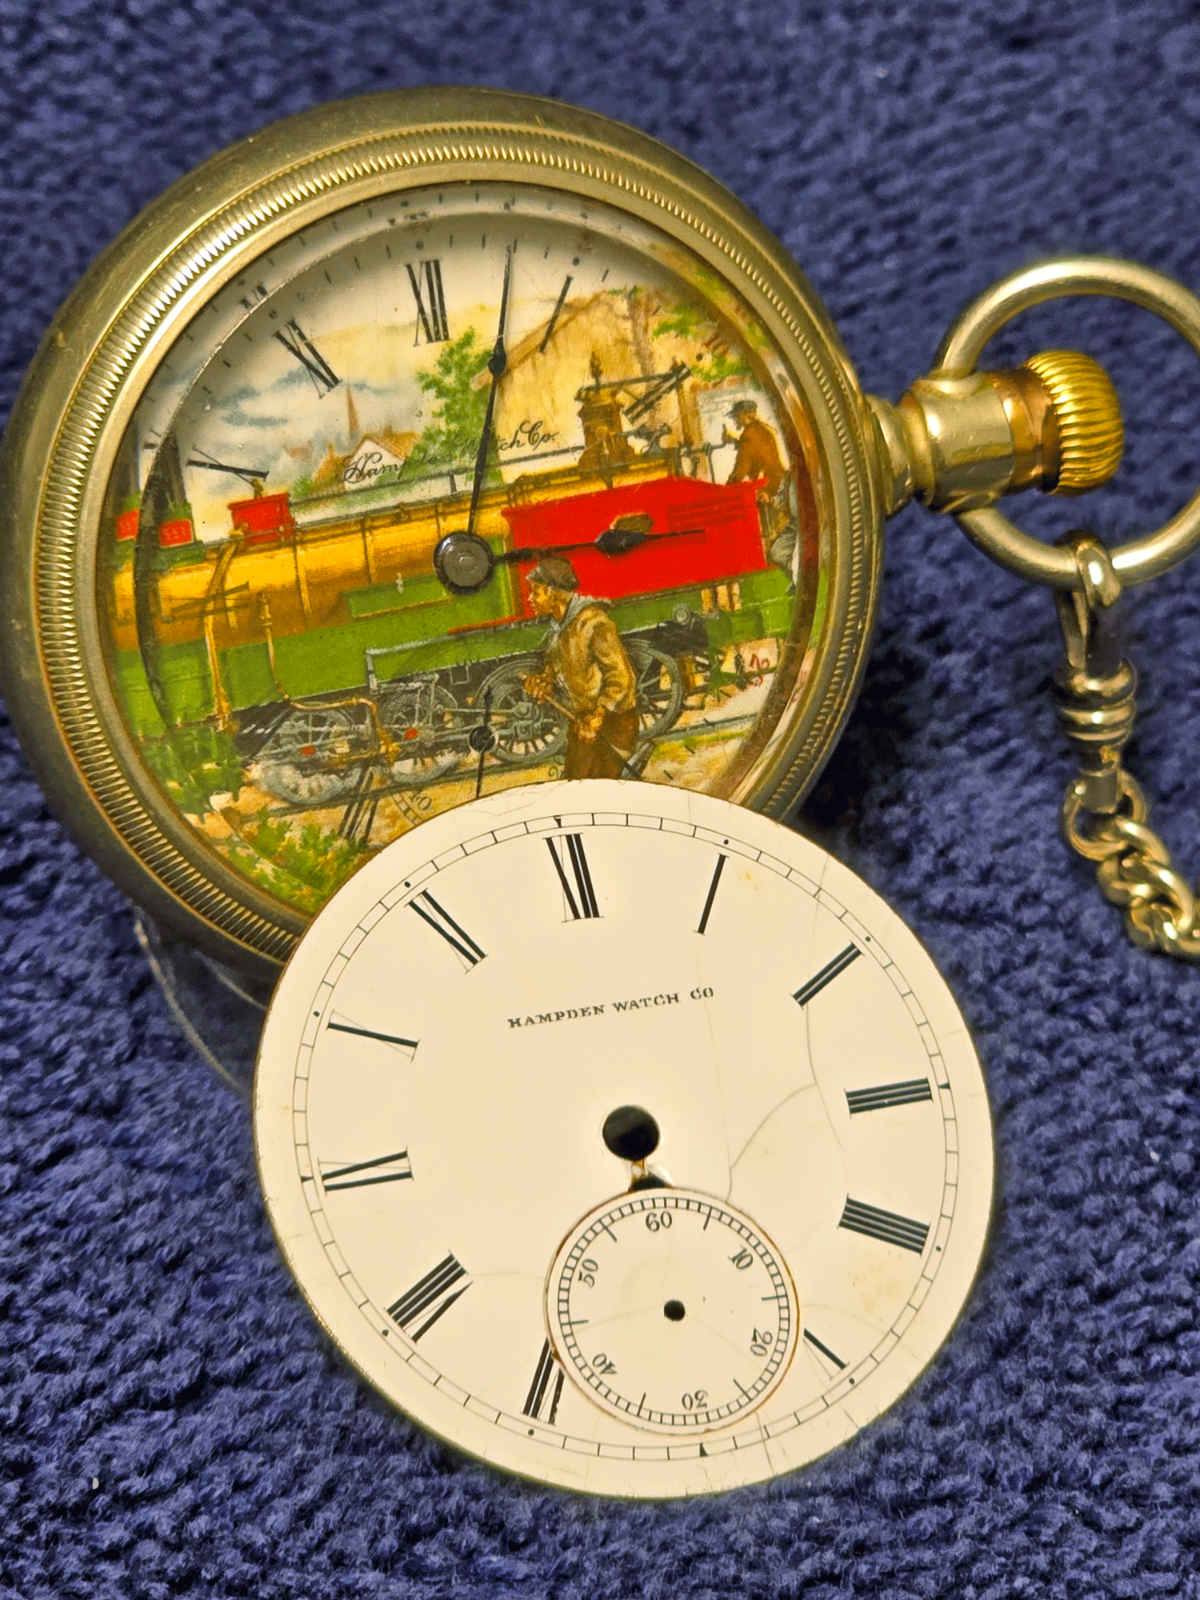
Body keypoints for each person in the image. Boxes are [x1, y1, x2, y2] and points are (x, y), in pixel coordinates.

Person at [520, 555, 640, 780]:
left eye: (536, 592)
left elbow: (621, 677)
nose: (530, 598)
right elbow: (558, 672)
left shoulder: (594, 623)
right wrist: (543, 682)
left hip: (612, 725)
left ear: (553, 593)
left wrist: (598, 716)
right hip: (582, 725)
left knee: (591, 788)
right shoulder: (559, 628)